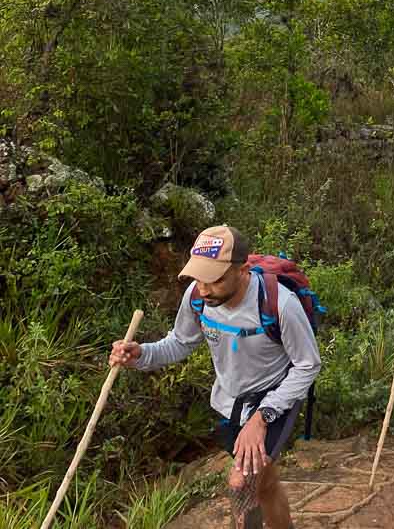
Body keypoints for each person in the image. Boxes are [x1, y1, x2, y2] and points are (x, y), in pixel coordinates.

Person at [109, 226, 321, 529]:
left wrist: (260, 419)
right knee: (266, 484)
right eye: (199, 277)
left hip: (274, 397)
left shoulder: (279, 303)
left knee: (241, 485)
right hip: (229, 401)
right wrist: (140, 354)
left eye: (216, 279)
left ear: (243, 270)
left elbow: (307, 365)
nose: (205, 289)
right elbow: (180, 342)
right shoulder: (197, 297)